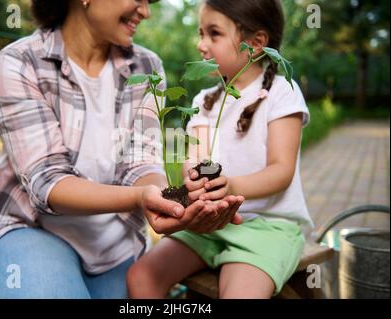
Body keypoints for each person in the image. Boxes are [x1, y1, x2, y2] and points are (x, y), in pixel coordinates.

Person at [0, 0, 243, 299]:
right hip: (30, 231)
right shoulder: (22, 61)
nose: (146, 11)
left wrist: (169, 200)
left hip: (115, 247)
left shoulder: (146, 67)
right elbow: (47, 180)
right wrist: (140, 198)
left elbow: (140, 163)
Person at [127, 0, 314, 299]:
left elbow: (281, 171)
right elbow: (193, 163)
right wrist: (194, 181)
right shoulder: (203, 101)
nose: (201, 44)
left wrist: (231, 187)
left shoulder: (281, 93)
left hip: (267, 227)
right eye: (201, 33)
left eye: (213, 34)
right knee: (141, 276)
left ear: (255, 44)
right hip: (209, 224)